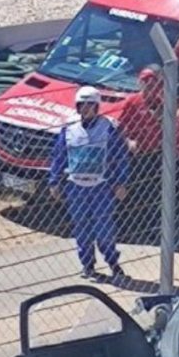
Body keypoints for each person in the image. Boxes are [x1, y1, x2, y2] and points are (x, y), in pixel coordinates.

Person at [49, 86, 131, 279]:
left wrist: (121, 182)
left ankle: (113, 263)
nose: (85, 109)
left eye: (89, 105)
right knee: (82, 229)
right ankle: (88, 265)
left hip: (101, 187)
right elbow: (58, 157)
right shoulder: (69, 129)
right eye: (81, 105)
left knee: (104, 230)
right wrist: (54, 181)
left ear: (96, 106)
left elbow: (120, 157)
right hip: (76, 188)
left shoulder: (109, 128)